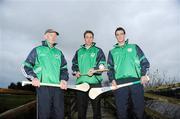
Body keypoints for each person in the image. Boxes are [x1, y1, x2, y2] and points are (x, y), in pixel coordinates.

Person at [21, 29, 69, 119]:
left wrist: (63, 79)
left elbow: (64, 69)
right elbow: (25, 66)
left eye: (55, 36)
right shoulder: (37, 50)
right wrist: (33, 78)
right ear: (45, 36)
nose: (54, 37)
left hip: (58, 88)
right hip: (43, 87)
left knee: (59, 115)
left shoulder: (59, 53)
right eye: (51, 35)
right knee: (44, 115)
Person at [107, 27, 150, 119]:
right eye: (117, 34)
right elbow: (110, 68)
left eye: (121, 34)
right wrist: (112, 80)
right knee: (121, 110)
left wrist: (143, 75)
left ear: (124, 35)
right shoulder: (112, 52)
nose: (120, 36)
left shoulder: (134, 47)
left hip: (136, 81)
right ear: (115, 36)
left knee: (139, 109)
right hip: (120, 83)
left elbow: (144, 62)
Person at [72, 30, 106, 119]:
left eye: (91, 37)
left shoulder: (98, 50)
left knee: (97, 110)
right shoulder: (78, 51)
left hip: (95, 83)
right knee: (81, 110)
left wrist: (94, 70)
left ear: (93, 38)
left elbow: (102, 65)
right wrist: (76, 71)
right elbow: (74, 65)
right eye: (87, 37)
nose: (89, 39)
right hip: (81, 84)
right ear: (84, 39)